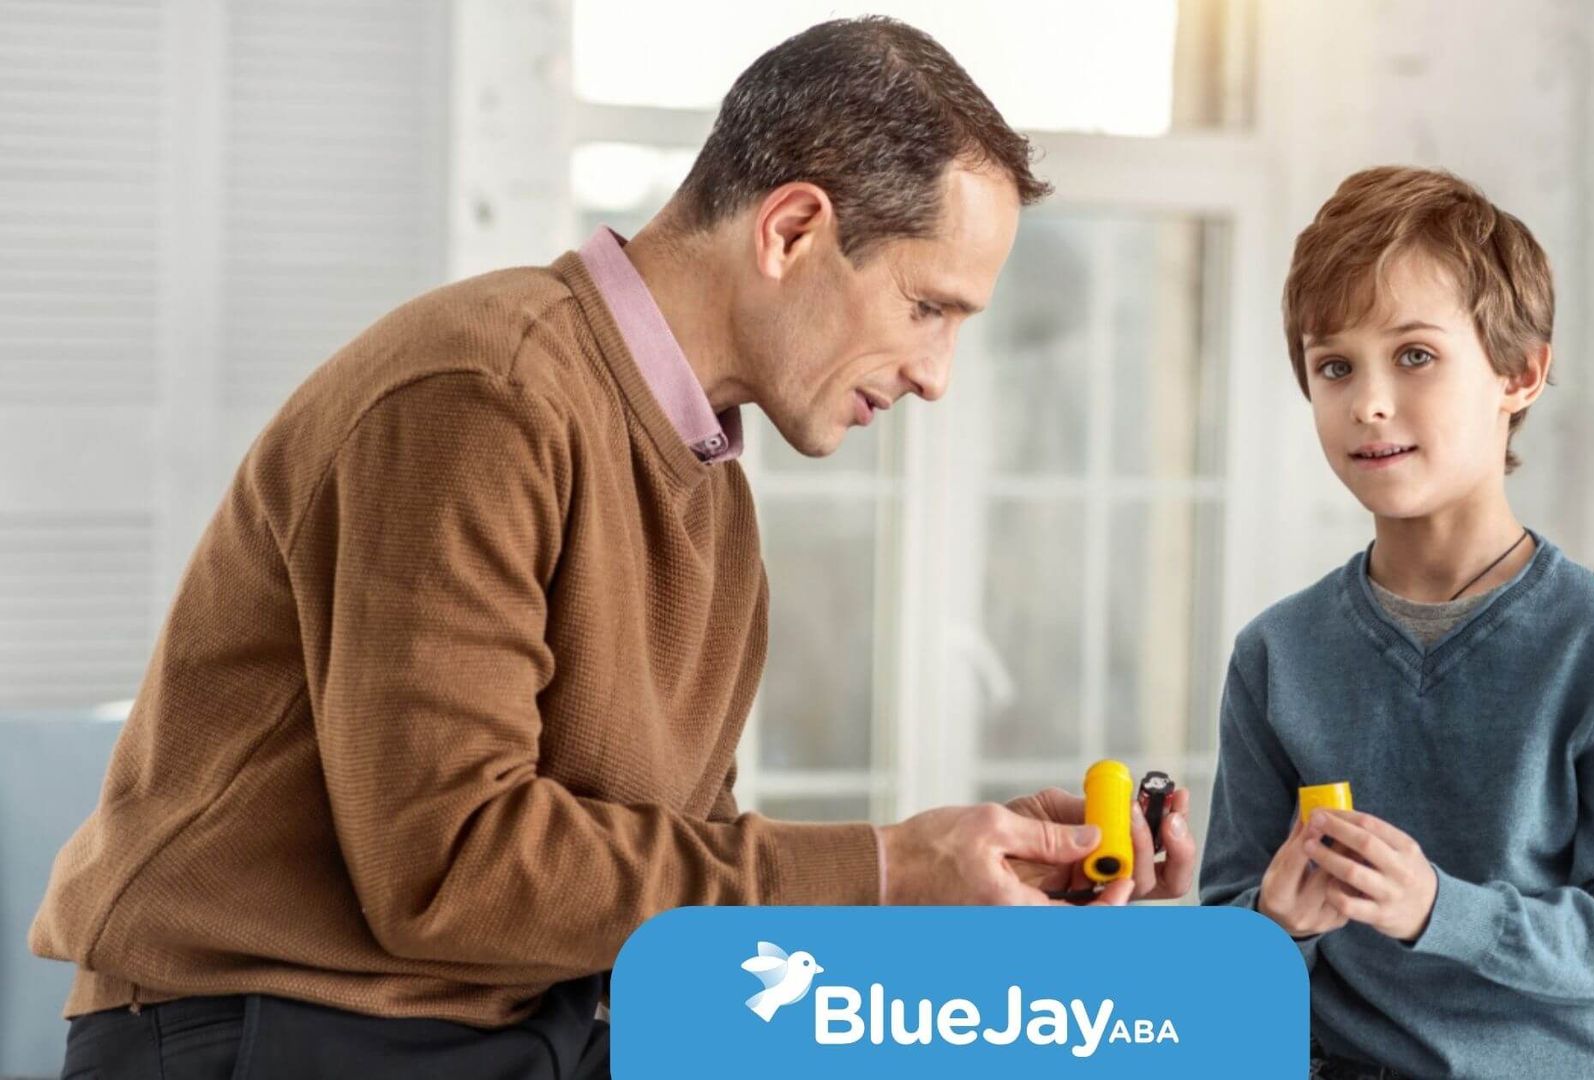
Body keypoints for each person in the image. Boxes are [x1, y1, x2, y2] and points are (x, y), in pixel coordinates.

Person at [33, 18, 1194, 1079]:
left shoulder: (710, 494)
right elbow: (452, 868)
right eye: (928, 308)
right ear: (792, 230)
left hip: (498, 1027)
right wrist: (888, 869)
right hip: (277, 1028)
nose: (937, 376)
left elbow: (668, 870)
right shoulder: (483, 395)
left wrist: (968, 884)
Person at [1198, 166, 1594, 1078]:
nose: (1369, 403)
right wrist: (1275, 925)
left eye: (1415, 356)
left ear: (1520, 373)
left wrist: (1438, 910)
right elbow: (1230, 947)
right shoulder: (1276, 654)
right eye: (1334, 366)